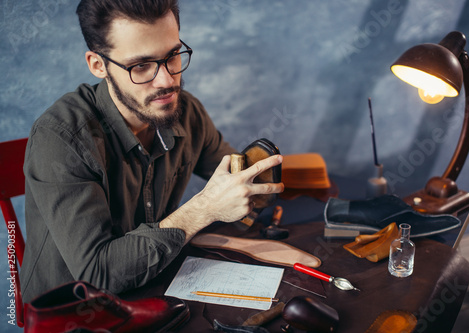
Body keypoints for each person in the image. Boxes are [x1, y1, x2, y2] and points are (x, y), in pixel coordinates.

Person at [20, 0, 284, 304]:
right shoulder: (60, 138)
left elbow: (238, 182)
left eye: (172, 56)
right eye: (141, 66)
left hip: (157, 290)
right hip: (77, 312)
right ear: (98, 65)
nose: (167, 81)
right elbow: (97, 274)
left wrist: (252, 188)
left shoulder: (185, 112)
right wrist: (203, 210)